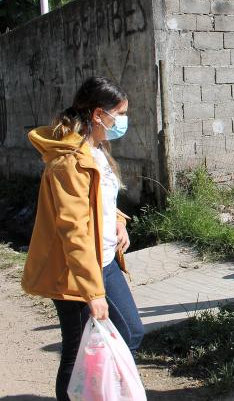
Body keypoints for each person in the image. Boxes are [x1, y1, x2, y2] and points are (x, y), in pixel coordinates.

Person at [22, 76, 144, 400]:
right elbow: (73, 230)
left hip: (105, 262)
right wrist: (92, 293)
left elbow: (101, 199)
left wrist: (119, 221)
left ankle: (100, 393)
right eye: (119, 113)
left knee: (131, 332)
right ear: (97, 114)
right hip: (76, 273)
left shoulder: (97, 149)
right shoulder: (68, 162)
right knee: (77, 353)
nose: (123, 121)